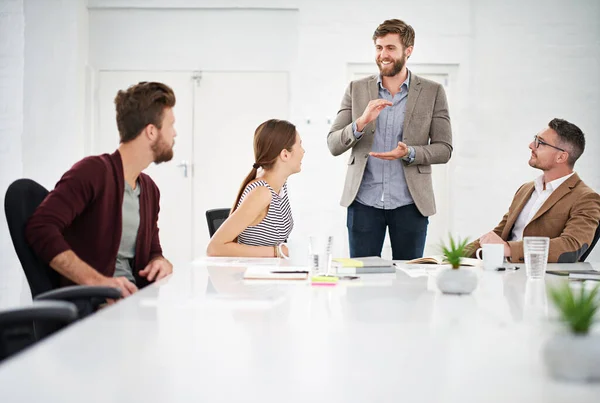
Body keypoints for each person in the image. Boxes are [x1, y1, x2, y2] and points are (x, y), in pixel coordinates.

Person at [26, 81, 176, 297]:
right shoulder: (93, 172)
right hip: (97, 307)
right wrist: (96, 281)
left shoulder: (150, 190)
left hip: (135, 303)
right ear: (151, 131)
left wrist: (159, 262)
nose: (175, 133)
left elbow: (153, 251)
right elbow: (40, 227)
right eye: (171, 125)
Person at [327, 18, 453, 260]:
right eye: (379, 47)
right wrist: (361, 122)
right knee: (363, 281)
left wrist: (410, 153)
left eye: (390, 48)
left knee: (410, 283)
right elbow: (333, 144)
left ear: (408, 51)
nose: (383, 54)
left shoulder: (432, 91)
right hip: (363, 202)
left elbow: (444, 149)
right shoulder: (356, 89)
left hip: (411, 204)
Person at [469, 118, 600, 263]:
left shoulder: (586, 198)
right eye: (535, 139)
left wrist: (509, 249)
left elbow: (571, 246)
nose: (531, 146)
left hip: (541, 279)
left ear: (561, 157)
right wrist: (449, 257)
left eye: (541, 143)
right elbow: (498, 235)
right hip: (504, 273)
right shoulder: (526, 189)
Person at [207, 119, 304, 258]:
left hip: (269, 273)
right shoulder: (261, 193)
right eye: (300, 145)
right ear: (285, 154)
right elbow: (214, 248)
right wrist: (277, 252)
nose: (303, 151)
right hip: (250, 276)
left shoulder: (280, 186)